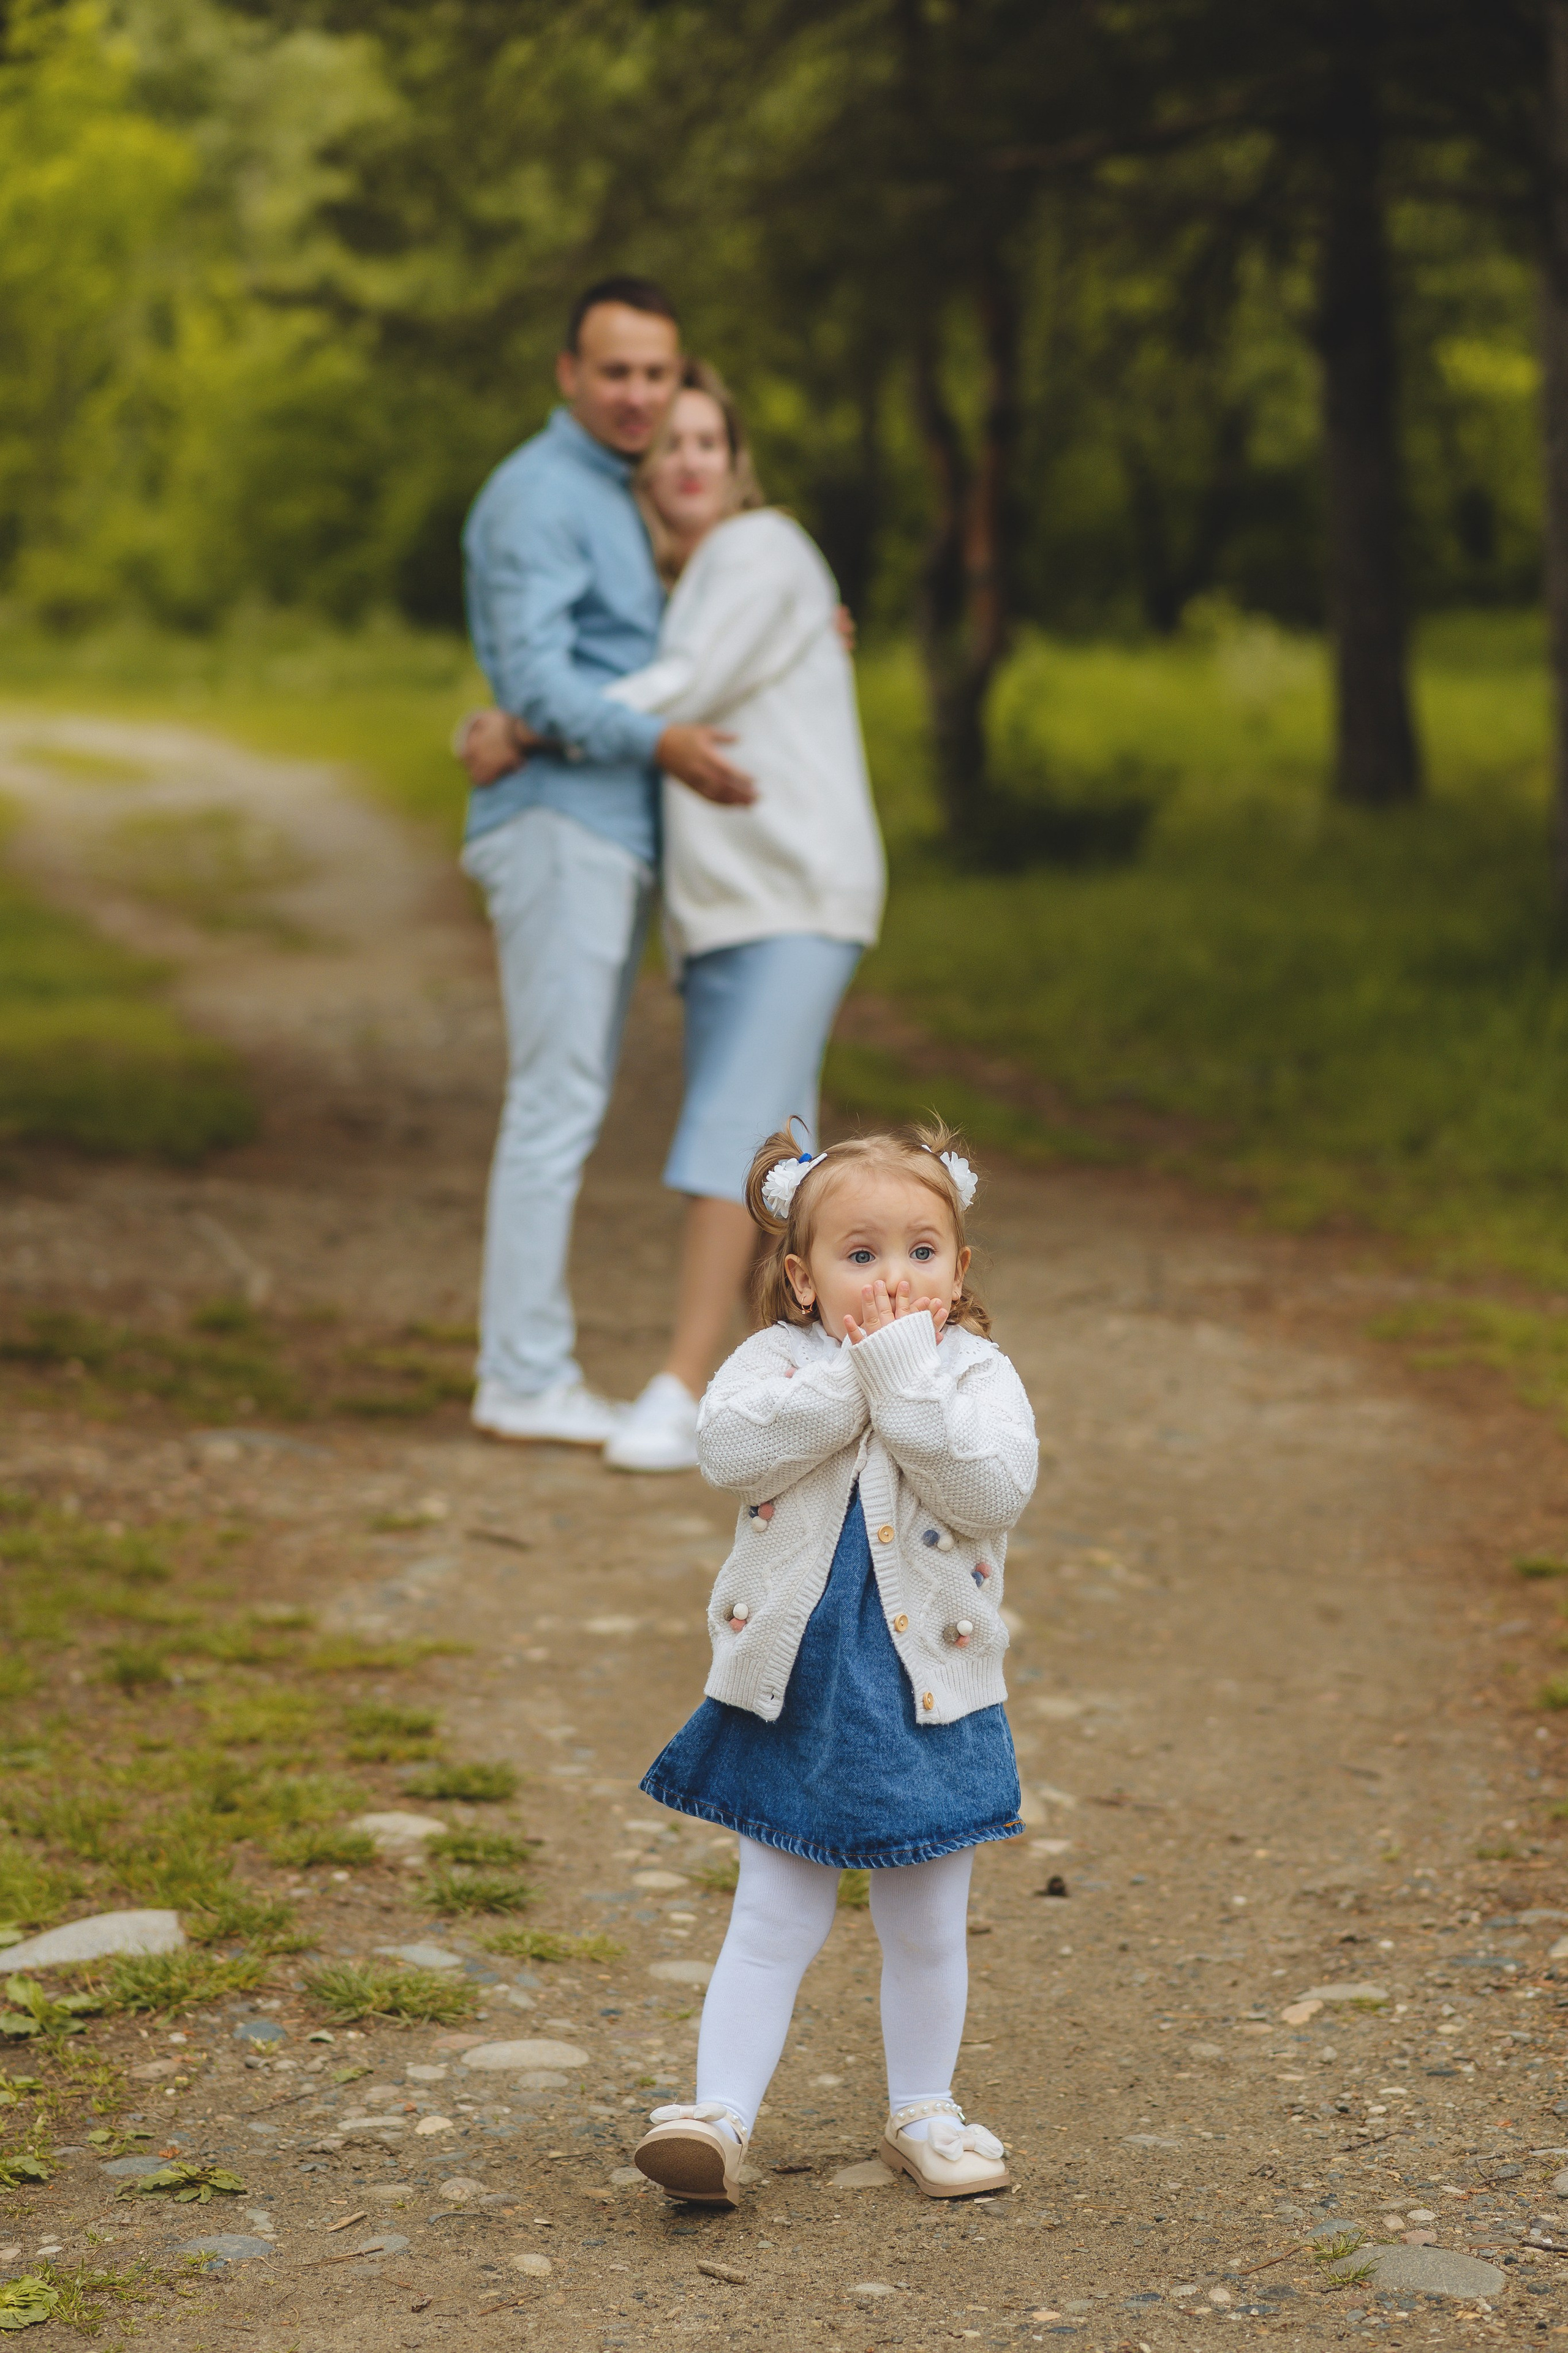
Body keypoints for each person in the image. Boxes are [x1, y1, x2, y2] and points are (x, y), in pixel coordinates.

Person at [469, 361, 886, 1472]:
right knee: (786, 1148)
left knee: (735, 1136)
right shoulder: (690, 588)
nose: (691, 459)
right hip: (726, 909)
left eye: (711, 441)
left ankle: (687, 1381)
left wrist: (528, 726)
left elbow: (681, 686)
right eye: (671, 448)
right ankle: (807, 1379)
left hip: (792, 889)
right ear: (641, 482)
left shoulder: (761, 549)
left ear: (736, 466)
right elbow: (668, 667)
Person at [629, 1123, 1038, 2210]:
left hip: (931, 1690)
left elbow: (989, 1494)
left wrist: (905, 1379)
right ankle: (719, 2116)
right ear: (803, 1279)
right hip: (797, 1684)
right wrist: (859, 1375)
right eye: (860, 1255)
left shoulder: (978, 1376)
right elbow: (731, 1451)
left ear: (959, 1270)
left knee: (924, 1922)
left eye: (921, 1250)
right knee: (771, 1913)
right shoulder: (774, 1364)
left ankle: (924, 2110)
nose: (893, 1276)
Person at [458, 277, 754, 1446]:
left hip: (598, 831)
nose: (640, 394)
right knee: (556, 1098)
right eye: (617, 371)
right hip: (560, 829)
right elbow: (535, 680)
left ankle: (526, 1364)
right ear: (567, 374)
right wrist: (664, 743)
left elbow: (640, 647)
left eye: (660, 373)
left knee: (565, 1094)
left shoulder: (609, 494)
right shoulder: (542, 496)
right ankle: (523, 1373)